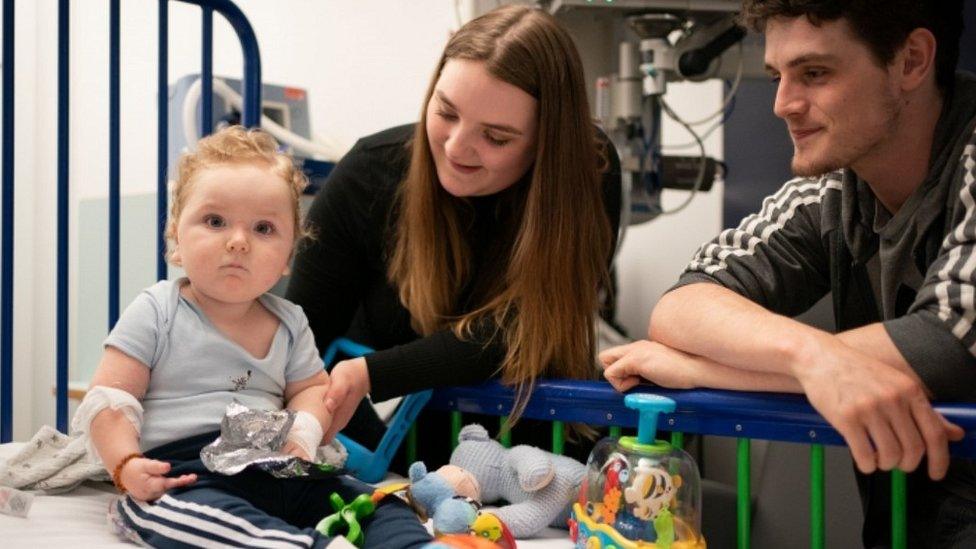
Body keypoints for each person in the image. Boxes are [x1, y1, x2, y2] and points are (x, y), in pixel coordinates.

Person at [600, 1, 975, 546]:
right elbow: (684, 303)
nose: (782, 104)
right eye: (778, 76)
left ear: (912, 60)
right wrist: (813, 358)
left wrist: (705, 370)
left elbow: (947, 346)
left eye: (815, 73)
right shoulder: (835, 188)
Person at [286, 4, 621, 457]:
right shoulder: (370, 174)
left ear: (548, 142)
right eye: (445, 112)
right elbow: (297, 337)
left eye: (496, 137)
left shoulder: (588, 171)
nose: (457, 146)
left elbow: (528, 323)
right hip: (384, 453)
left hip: (531, 460)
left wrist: (373, 373)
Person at [75, 126, 431, 548]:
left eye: (263, 228)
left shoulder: (290, 321)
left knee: (374, 503)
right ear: (175, 236)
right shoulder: (157, 310)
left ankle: (417, 545)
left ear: (288, 256)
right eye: (215, 221)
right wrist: (126, 464)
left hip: (277, 464)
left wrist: (303, 436)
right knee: (194, 520)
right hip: (184, 471)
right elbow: (109, 402)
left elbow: (312, 392)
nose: (239, 242)